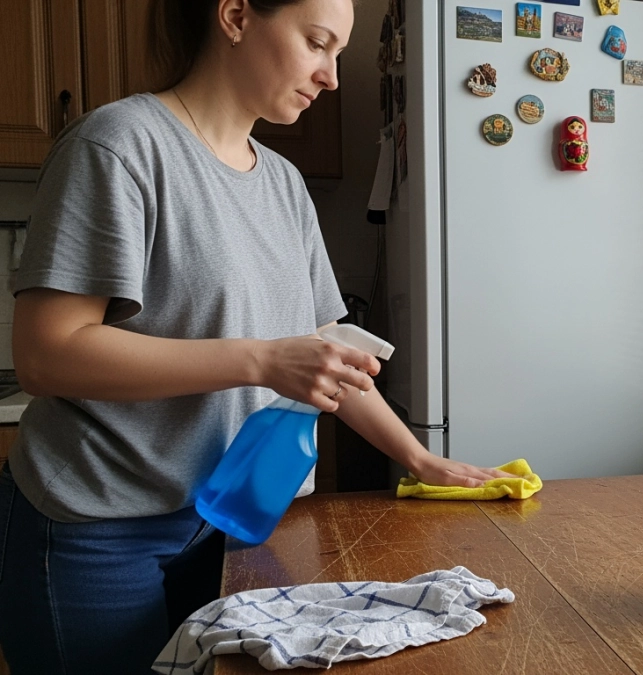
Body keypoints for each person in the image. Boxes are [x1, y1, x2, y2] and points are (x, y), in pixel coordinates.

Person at [0, 1, 510, 673]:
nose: (331, 76)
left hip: (227, 521)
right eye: (317, 43)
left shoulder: (284, 184)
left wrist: (419, 458)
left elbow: (325, 348)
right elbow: (46, 354)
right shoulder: (118, 145)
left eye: (337, 53)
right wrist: (264, 359)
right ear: (237, 16)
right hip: (96, 530)